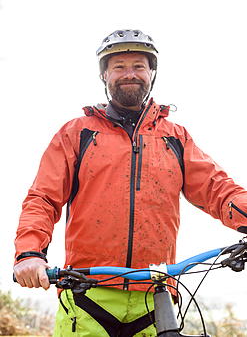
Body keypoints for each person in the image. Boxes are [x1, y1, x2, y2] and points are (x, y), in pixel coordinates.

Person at [13, 29, 247, 337]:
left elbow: (219, 190)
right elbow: (43, 198)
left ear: (152, 73)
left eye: (138, 65)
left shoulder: (175, 137)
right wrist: (30, 253)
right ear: (105, 76)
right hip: (88, 293)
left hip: (156, 298)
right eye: (119, 67)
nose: (129, 74)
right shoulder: (77, 133)